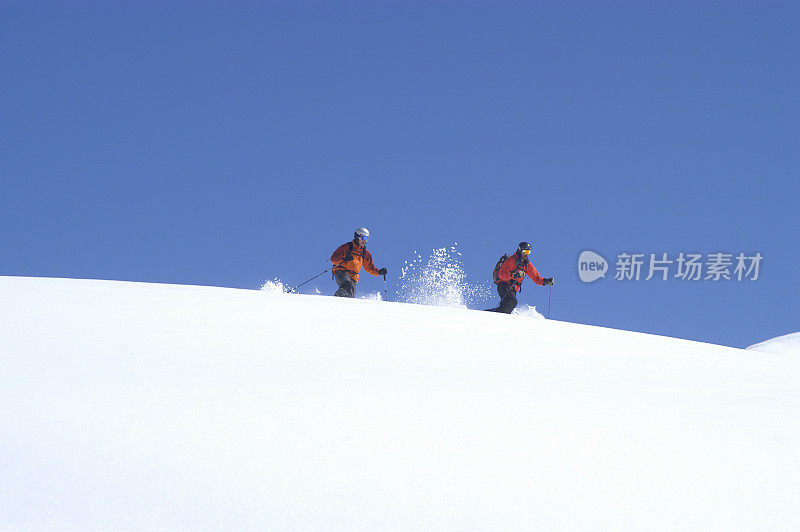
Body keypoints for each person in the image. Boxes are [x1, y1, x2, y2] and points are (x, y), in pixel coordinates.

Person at [492, 242, 554, 313]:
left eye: (528, 252)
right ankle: (488, 315)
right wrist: (512, 275)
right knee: (511, 302)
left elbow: (536, 278)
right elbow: (501, 274)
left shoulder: (527, 265)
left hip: (512, 289)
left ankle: (488, 315)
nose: (526, 254)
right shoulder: (511, 261)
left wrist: (546, 281)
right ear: (519, 251)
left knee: (506, 307)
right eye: (525, 252)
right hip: (504, 285)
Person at [330, 227, 387, 298]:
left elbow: (369, 267)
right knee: (347, 285)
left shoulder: (365, 253)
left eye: (367, 238)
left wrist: (378, 272)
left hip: (353, 276)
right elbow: (333, 259)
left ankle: (343, 306)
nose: (365, 241)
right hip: (341, 272)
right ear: (357, 237)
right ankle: (336, 300)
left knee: (350, 295)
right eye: (364, 238)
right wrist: (344, 259)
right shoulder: (346, 247)